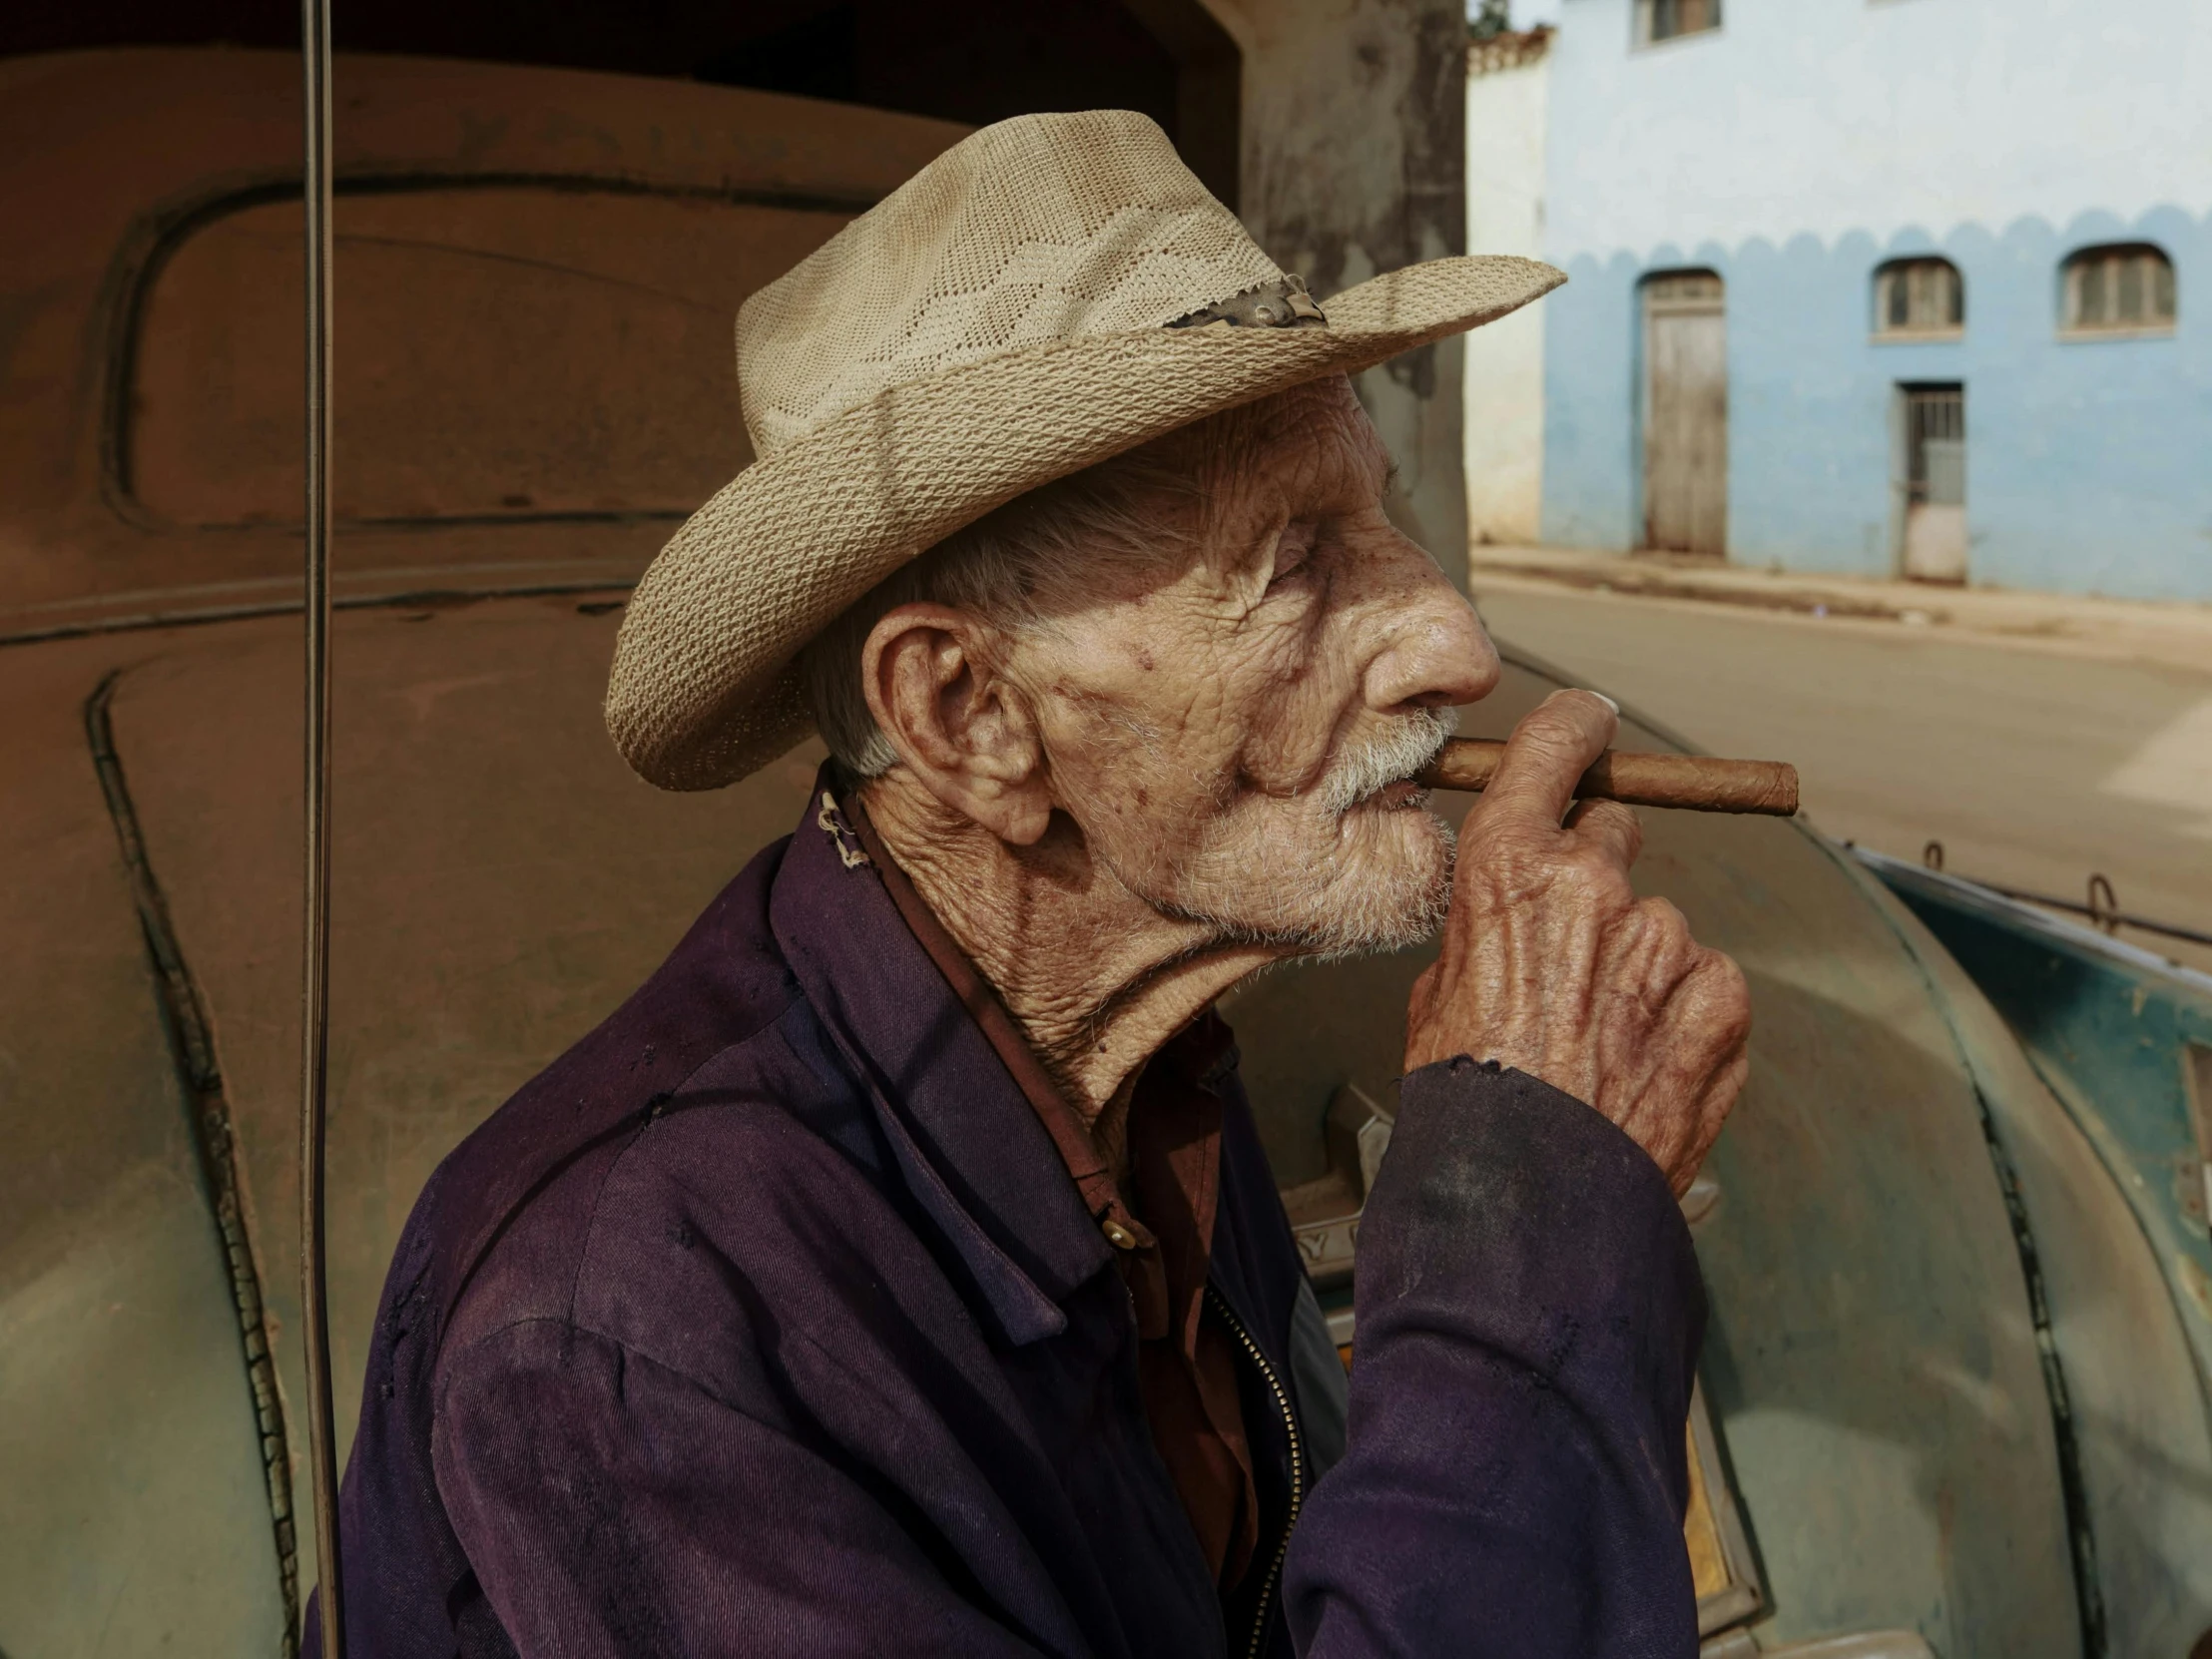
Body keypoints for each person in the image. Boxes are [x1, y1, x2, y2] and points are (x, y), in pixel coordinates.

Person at [309, 110, 1750, 1658]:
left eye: (1379, 517)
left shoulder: (1153, 1082)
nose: (1455, 646)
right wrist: (1521, 1212)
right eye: (1294, 563)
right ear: (966, 714)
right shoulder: (637, 1333)